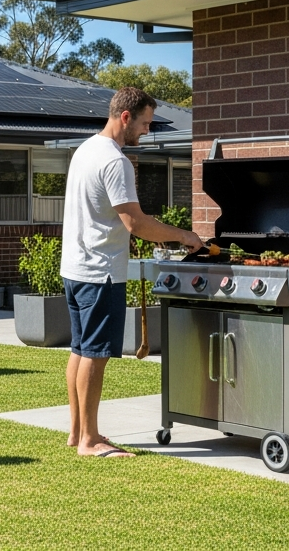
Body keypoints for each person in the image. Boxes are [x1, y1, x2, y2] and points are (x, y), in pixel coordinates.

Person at [61, 87, 203, 457]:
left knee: (79, 349)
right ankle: (90, 441)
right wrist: (184, 236)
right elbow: (135, 222)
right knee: (95, 353)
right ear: (126, 117)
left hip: (75, 269)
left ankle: (78, 433)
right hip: (100, 272)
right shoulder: (114, 160)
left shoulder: (84, 150)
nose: (146, 131)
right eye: (144, 123)